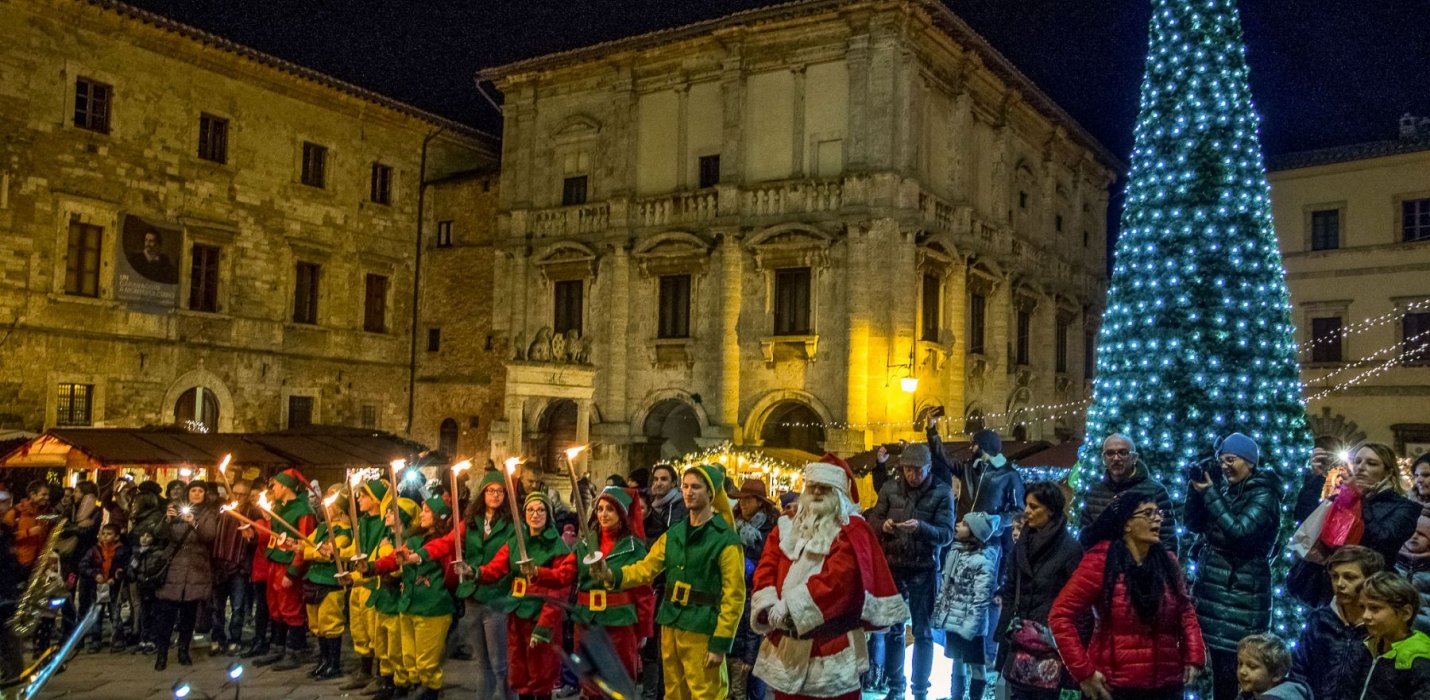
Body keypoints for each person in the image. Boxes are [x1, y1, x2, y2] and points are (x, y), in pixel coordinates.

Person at [749, 459, 909, 700]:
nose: (816, 493)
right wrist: (768, 603)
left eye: (824, 488)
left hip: (831, 648)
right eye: (812, 487)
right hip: (787, 649)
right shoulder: (786, 529)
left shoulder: (851, 531)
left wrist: (791, 607)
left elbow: (838, 581)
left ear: (838, 494)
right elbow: (767, 566)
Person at [596, 464, 746, 700]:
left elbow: (734, 596)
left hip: (703, 626)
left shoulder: (725, 540)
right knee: (674, 692)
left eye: (696, 487)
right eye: (685, 486)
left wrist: (720, 642)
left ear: (711, 493)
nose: (689, 492)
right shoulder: (674, 534)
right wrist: (612, 575)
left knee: (706, 693)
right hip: (671, 622)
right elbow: (646, 568)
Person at [1049, 493, 1204, 700]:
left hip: (1166, 683)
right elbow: (1060, 615)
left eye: (1158, 513)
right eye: (1148, 513)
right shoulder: (1101, 562)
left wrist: (1194, 656)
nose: (1157, 519)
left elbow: (1185, 610)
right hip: (1115, 687)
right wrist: (1083, 672)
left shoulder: (1167, 562)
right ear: (1126, 524)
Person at [1185, 432, 1283, 700]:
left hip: (1241, 602)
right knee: (1218, 676)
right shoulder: (1227, 492)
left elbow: (1240, 532)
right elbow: (1193, 524)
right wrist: (1195, 491)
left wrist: (1211, 495)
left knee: (1234, 677)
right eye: (1221, 461)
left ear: (1250, 462)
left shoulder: (1264, 495)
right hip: (1217, 600)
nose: (1224, 466)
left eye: (1231, 459)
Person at [867, 442, 955, 700]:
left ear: (928, 468)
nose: (912, 475)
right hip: (893, 566)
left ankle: (919, 690)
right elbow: (873, 518)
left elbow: (946, 534)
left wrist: (922, 528)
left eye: (918, 470)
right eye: (908, 470)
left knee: (922, 631)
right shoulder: (890, 488)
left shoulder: (941, 492)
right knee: (893, 629)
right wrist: (883, 526)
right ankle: (895, 688)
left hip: (923, 568)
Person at [1294, 442, 1421, 607]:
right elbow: (1306, 521)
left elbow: (1383, 539)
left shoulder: (1404, 507)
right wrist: (1315, 477)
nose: (1361, 467)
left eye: (1371, 463)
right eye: (1358, 461)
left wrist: (1358, 498)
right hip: (1331, 592)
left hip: (1373, 593)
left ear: (1388, 472)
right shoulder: (1341, 499)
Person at [477, 491, 577, 700]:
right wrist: (474, 572)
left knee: (541, 672)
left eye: (541, 510)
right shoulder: (516, 542)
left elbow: (560, 586)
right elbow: (496, 568)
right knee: (519, 670)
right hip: (517, 614)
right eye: (530, 510)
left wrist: (544, 625)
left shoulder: (557, 546)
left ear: (548, 515)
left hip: (541, 616)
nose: (535, 514)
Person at [996, 481, 1084, 700]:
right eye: (1027, 505)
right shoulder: (1021, 545)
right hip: (1021, 645)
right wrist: (1003, 639)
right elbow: (1010, 591)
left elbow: (1079, 604)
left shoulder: (1070, 549)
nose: (1027, 512)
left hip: (1052, 648)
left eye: (1034, 507)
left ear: (1051, 510)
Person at [570, 487, 654, 699]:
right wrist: (537, 572)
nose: (603, 514)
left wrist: (644, 628)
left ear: (622, 514)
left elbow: (643, 590)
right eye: (600, 509)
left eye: (610, 509)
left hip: (620, 623)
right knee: (589, 679)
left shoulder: (634, 547)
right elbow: (566, 573)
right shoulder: (586, 543)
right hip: (587, 620)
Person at [374, 498, 458, 700]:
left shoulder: (445, 544)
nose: (421, 515)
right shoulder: (413, 539)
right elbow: (395, 559)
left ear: (439, 518)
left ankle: (429, 694)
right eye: (422, 510)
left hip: (432, 607)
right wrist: (371, 568)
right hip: (408, 605)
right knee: (409, 658)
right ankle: (414, 691)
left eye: (427, 511)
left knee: (426, 662)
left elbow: (451, 573)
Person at [450, 471, 516, 699]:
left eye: (500, 491)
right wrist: (418, 555)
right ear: (483, 493)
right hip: (474, 597)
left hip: (497, 597)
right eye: (491, 490)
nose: (495, 495)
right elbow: (450, 543)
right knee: (482, 663)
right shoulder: (471, 522)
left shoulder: (511, 524)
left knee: (500, 663)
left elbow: (503, 561)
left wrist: (475, 571)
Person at [1291, 544, 1382, 700]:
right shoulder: (1320, 620)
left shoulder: (1379, 627)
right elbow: (1299, 671)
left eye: (1350, 577)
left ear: (1370, 580)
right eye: (1335, 576)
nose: (1340, 584)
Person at [253, 469, 318, 670]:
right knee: (275, 606)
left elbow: (305, 543)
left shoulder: (303, 511)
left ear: (286, 487)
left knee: (290, 607)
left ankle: (295, 649)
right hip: (274, 561)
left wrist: (293, 571)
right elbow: (272, 536)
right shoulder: (279, 508)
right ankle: (277, 646)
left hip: (288, 564)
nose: (273, 489)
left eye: (276, 485)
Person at [931, 512, 998, 700]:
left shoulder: (983, 562)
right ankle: (956, 696)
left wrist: (970, 626)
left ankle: (976, 696)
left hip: (970, 625)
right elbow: (946, 587)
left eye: (964, 524)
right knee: (957, 660)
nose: (958, 525)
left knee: (976, 664)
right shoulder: (954, 554)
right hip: (953, 619)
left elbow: (981, 599)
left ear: (974, 533)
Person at [153, 480, 219, 671]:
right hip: (175, 565)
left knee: (189, 614)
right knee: (167, 614)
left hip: (196, 567)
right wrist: (167, 519)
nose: (197, 494)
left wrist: (195, 523)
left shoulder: (208, 513)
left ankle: (184, 650)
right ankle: (162, 653)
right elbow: (159, 534)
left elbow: (210, 535)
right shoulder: (173, 508)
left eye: (200, 491)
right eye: (193, 491)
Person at [638, 461, 688, 699]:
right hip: (648, 582)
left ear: (673, 483)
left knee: (660, 648)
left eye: (664, 479)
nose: (658, 483)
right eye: (655, 479)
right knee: (649, 647)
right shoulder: (651, 507)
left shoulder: (679, 510)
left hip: (666, 586)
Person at [1080, 434, 1177, 551]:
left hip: (1143, 566)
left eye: (1123, 452)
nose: (1116, 458)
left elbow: (1167, 540)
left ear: (1134, 458)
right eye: (1110, 453)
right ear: (1104, 459)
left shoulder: (1155, 491)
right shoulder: (1094, 492)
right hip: (1102, 565)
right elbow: (1085, 540)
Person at [339, 478, 391, 691]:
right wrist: (332, 551)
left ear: (376, 499)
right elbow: (354, 548)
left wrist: (364, 570)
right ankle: (364, 670)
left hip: (372, 583)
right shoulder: (362, 522)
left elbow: (379, 557)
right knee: (359, 630)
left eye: (364, 496)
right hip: (358, 584)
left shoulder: (384, 523)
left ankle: (380, 675)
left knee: (375, 632)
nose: (359, 499)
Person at [300, 484, 352, 681]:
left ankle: (333, 663)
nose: (325, 509)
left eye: (329, 506)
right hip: (314, 579)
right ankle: (323, 661)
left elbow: (330, 552)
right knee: (317, 623)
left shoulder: (345, 530)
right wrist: (300, 547)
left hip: (331, 582)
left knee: (330, 622)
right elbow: (307, 544)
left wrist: (311, 552)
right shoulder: (322, 527)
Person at [1356, 571, 1430, 700]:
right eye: (1362, 607)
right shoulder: (1368, 644)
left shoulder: (1419, 661)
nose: (1365, 616)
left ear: (1406, 613)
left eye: (1375, 608)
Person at [211, 478, 256, 655]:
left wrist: (251, 537)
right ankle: (217, 638)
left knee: (237, 606)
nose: (237, 496)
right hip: (220, 563)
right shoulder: (221, 511)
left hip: (238, 565)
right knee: (217, 606)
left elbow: (256, 539)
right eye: (234, 493)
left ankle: (235, 639)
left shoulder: (251, 513)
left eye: (242, 494)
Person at [76, 523, 128, 652]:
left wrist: (115, 577)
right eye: (103, 534)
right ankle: (95, 640)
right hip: (97, 587)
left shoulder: (121, 550)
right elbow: (83, 565)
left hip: (112, 587)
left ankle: (118, 638)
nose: (105, 537)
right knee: (96, 614)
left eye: (109, 534)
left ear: (116, 537)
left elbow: (124, 566)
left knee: (115, 613)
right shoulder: (94, 550)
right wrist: (94, 574)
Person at [1233, 633, 1310, 700]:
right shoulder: (1249, 694)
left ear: (1276, 674)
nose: (1242, 671)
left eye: (1252, 666)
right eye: (1240, 664)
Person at [2, 480, 53, 569]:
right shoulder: (16, 512)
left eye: (48, 495)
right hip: (19, 562)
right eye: (43, 494)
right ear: (33, 494)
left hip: (38, 563)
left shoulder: (44, 512)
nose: (47, 497)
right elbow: (5, 537)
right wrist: (29, 532)